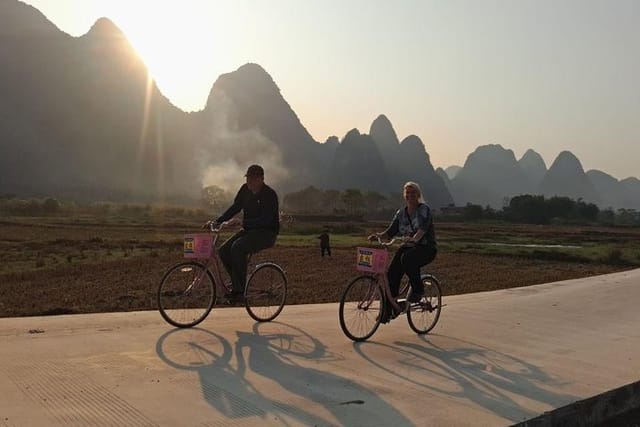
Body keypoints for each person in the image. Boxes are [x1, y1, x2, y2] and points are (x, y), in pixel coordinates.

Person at [368, 181, 437, 321]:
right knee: (391, 275)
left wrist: (415, 239)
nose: (410, 195)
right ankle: (389, 311)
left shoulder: (424, 209)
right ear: (405, 196)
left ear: (418, 195)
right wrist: (379, 236)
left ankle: (418, 290)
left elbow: (423, 229)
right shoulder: (401, 213)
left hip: (426, 248)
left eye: (413, 193)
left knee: (407, 259)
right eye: (408, 193)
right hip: (409, 247)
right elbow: (391, 231)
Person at [210, 164, 280, 300]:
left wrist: (242, 222)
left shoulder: (269, 195)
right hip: (249, 231)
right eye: (248, 178)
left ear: (261, 179)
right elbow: (235, 207)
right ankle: (238, 284)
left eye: (253, 179)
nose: (249, 182)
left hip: (267, 233)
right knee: (223, 250)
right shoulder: (245, 190)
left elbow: (265, 220)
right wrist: (217, 221)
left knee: (238, 247)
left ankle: (239, 291)